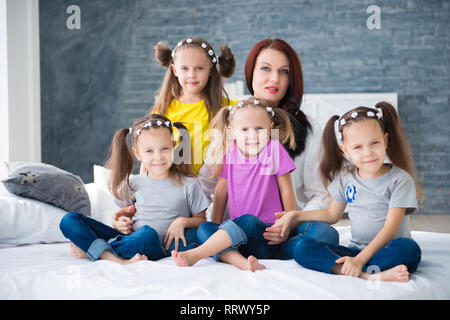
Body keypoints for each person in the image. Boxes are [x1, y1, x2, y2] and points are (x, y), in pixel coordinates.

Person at [273, 102, 423, 282]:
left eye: (374, 143)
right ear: (345, 150)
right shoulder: (346, 178)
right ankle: (368, 274)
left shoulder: (399, 180)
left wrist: (360, 260)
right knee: (303, 247)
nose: (368, 153)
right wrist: (295, 215)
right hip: (355, 250)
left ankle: (355, 268)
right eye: (358, 147)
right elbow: (331, 214)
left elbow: (391, 229)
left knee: (409, 249)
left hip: (387, 249)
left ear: (386, 140)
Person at [59, 114, 210, 264]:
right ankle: (108, 254)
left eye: (165, 148)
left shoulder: (189, 184)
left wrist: (182, 222)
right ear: (137, 153)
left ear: (174, 147)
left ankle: (96, 251)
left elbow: (201, 219)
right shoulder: (134, 183)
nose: (158, 157)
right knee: (69, 220)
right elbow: (123, 217)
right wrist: (119, 224)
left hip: (163, 244)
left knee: (151, 235)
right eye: (149, 151)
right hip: (135, 240)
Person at [171, 97, 301, 271]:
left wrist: (287, 225)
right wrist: (216, 226)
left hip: (267, 233)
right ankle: (240, 262)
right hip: (237, 240)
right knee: (205, 228)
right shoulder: (229, 152)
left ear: (271, 127)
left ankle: (197, 254)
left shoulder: (274, 149)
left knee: (248, 221)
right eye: (245, 129)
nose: (252, 135)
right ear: (231, 132)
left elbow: (286, 190)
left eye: (259, 129)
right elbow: (221, 190)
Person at [244, 38, 339, 252]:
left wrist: (292, 219)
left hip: (291, 226)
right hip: (245, 223)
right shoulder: (232, 121)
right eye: (265, 68)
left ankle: (286, 248)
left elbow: (321, 193)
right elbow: (215, 187)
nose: (274, 79)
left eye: (284, 72)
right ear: (251, 72)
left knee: (326, 235)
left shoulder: (310, 127)